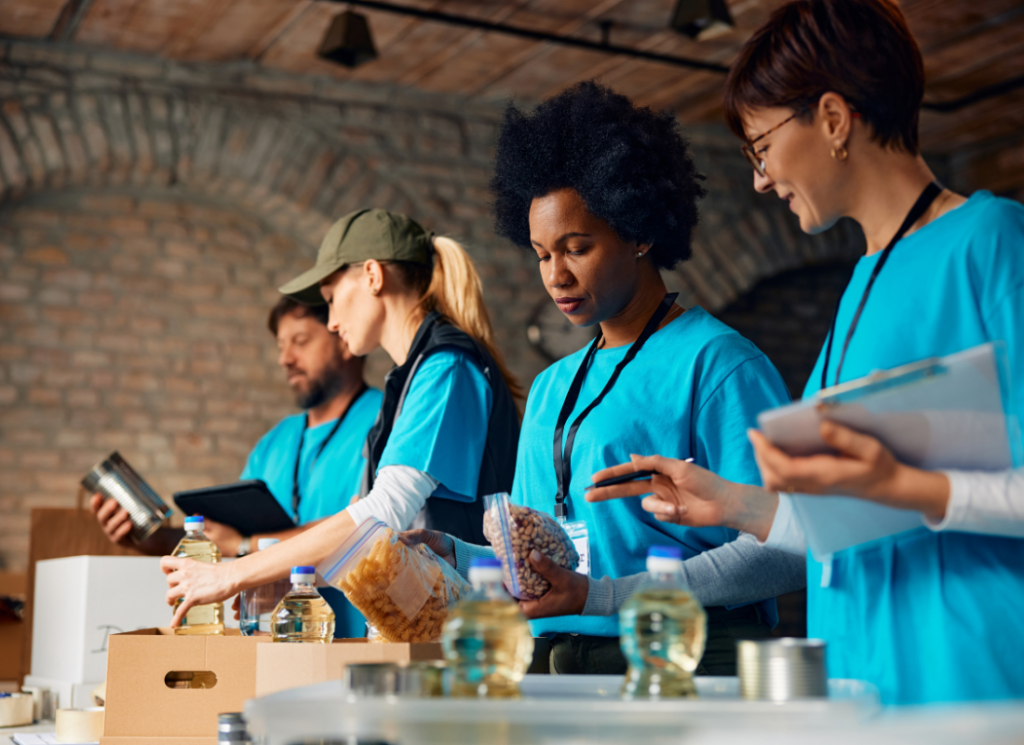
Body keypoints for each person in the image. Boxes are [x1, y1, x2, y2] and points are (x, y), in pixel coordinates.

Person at [587, 0, 1024, 705]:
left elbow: (897, 494)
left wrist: (908, 486)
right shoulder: (859, 285)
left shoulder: (993, 241)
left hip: (966, 683)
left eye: (761, 145)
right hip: (863, 682)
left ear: (831, 118)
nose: (760, 177)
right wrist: (730, 504)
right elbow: (843, 519)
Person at [410, 81, 805, 676]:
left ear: (640, 232)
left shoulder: (719, 364)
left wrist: (605, 598)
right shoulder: (550, 386)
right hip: (553, 657)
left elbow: (786, 553)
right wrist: (459, 557)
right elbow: (545, 554)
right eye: (542, 254)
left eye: (577, 248)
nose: (556, 276)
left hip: (680, 659)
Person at [162, 209, 521, 626]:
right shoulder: (406, 381)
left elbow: (382, 513)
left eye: (332, 298)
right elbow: (380, 546)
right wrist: (294, 580)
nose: (332, 321)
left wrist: (233, 573)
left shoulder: (446, 368)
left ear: (372, 276)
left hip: (477, 640)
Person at [92, 296, 382, 636]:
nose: (285, 359)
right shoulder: (275, 441)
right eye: (281, 346)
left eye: (301, 342)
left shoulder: (385, 422)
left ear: (344, 339)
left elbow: (368, 527)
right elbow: (220, 540)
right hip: (273, 641)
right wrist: (140, 538)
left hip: (353, 641)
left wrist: (246, 545)